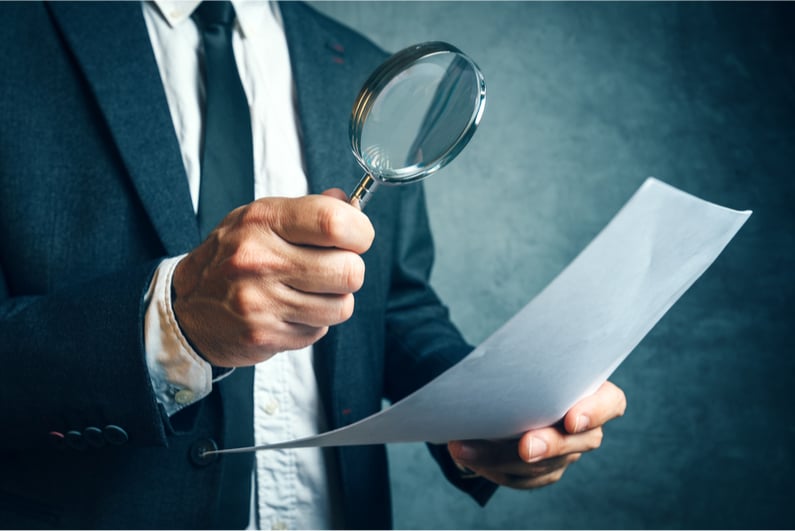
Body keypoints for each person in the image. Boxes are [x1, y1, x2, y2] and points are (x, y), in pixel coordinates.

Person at [0, 1, 626, 529]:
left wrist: (487, 411)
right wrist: (173, 322)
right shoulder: (19, 33)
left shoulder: (358, 65)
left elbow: (398, 304)